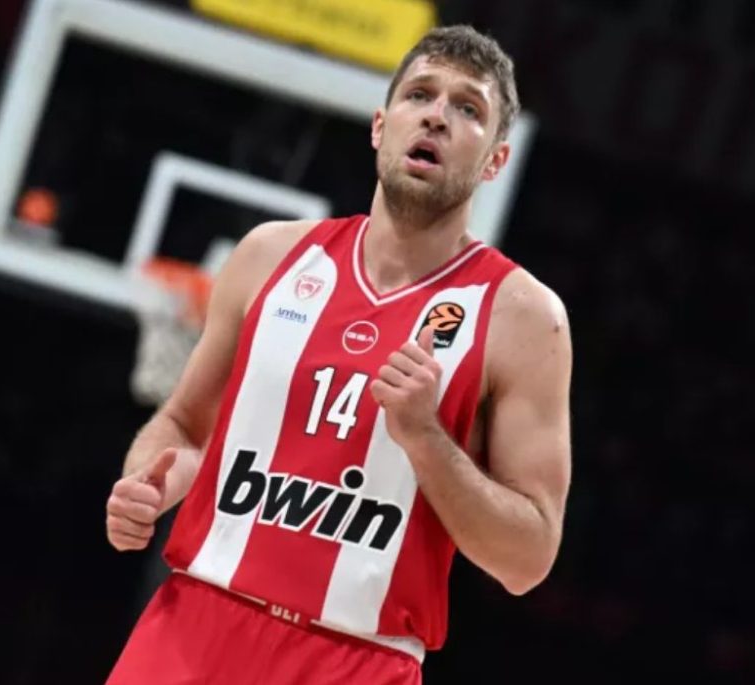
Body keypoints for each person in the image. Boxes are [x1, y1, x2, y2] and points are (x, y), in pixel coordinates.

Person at [104, 24, 572, 685]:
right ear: (381, 126)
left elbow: (528, 558)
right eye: (420, 95)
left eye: (468, 108)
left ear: (495, 160)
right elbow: (181, 426)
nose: (437, 116)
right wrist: (149, 484)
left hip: (355, 659)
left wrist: (425, 437)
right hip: (194, 625)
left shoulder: (524, 318)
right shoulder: (268, 256)